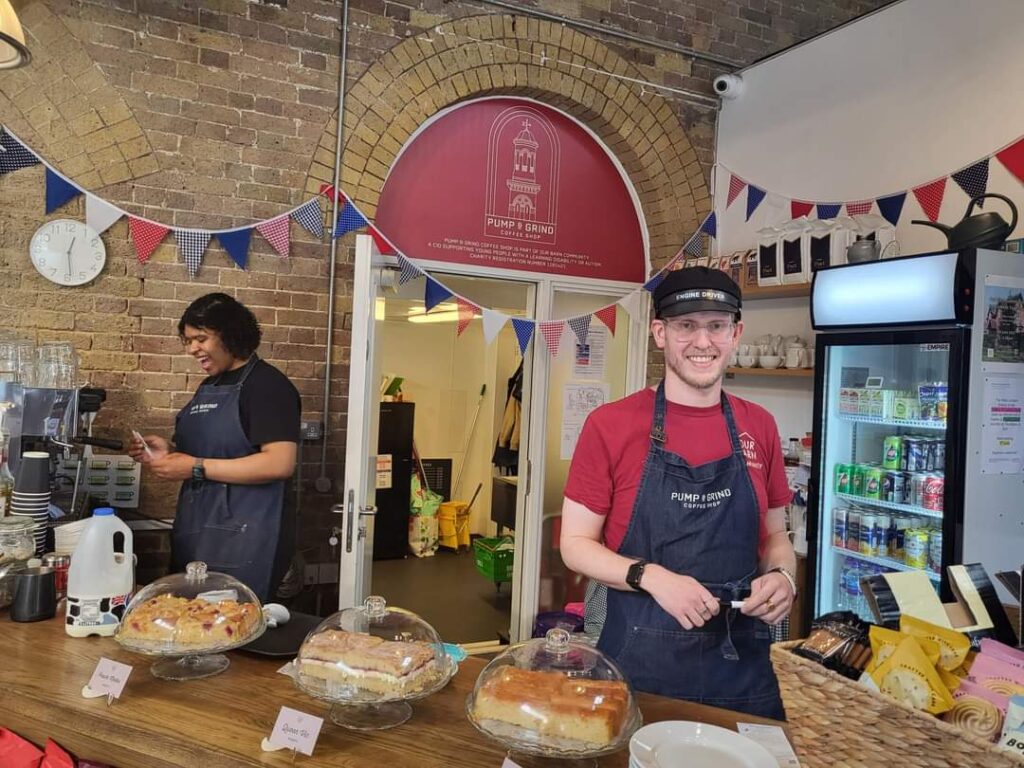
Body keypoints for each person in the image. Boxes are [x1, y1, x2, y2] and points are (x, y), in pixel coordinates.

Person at [560, 266, 796, 720]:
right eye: (686, 325)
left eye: (716, 326)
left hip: (743, 664)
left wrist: (784, 578)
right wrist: (655, 578)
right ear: (660, 333)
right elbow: (575, 546)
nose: (702, 342)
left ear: (736, 333)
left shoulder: (759, 425)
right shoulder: (610, 426)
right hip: (641, 661)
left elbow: (776, 537)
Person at [129, 293, 301, 601]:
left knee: (235, 625)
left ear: (230, 334)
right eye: (188, 341)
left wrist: (195, 466)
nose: (192, 349)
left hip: (247, 538)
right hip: (199, 529)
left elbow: (279, 463)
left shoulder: (267, 386)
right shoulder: (210, 386)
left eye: (201, 338)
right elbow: (214, 449)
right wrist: (166, 452)